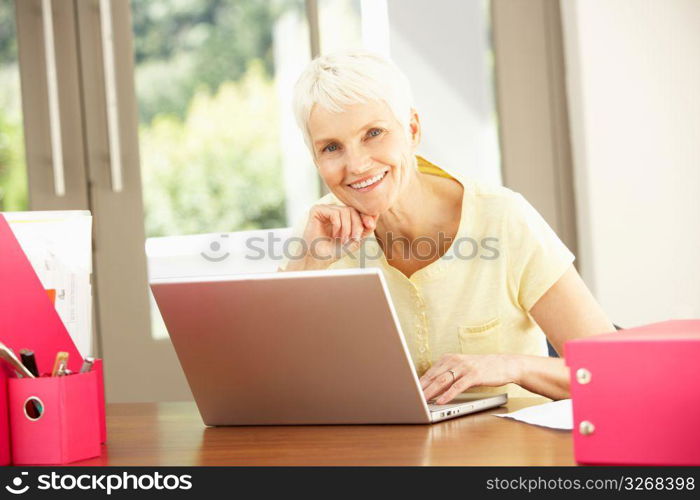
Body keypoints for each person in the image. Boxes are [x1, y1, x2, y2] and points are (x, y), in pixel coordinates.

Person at [279, 50, 615, 404]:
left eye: (373, 133)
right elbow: (269, 382)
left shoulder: (501, 217)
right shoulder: (324, 229)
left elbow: (611, 371)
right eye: (332, 147)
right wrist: (307, 266)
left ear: (411, 129)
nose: (357, 164)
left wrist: (510, 367)